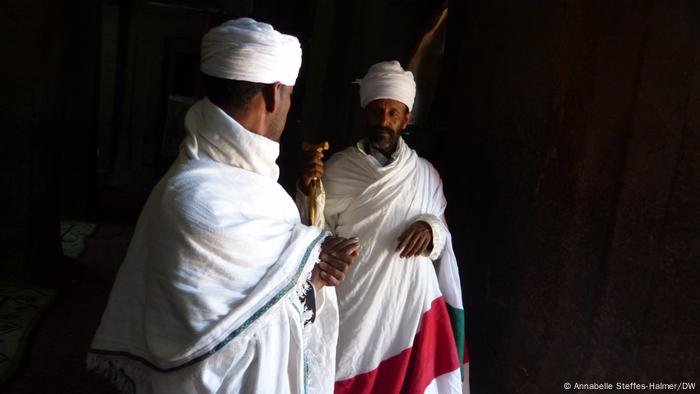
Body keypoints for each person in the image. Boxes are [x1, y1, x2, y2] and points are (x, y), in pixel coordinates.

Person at [87, 18, 359, 394]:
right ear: (273, 95)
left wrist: (312, 269)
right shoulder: (197, 199)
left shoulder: (233, 185)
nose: (287, 107)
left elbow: (265, 292)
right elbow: (250, 321)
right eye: (290, 95)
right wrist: (307, 264)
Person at [297, 60, 469, 393]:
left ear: (406, 118)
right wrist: (308, 190)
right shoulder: (338, 169)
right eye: (377, 112)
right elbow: (311, 230)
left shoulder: (426, 175)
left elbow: (443, 235)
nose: (384, 122)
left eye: (393, 113)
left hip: (405, 309)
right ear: (366, 114)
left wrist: (430, 227)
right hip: (353, 302)